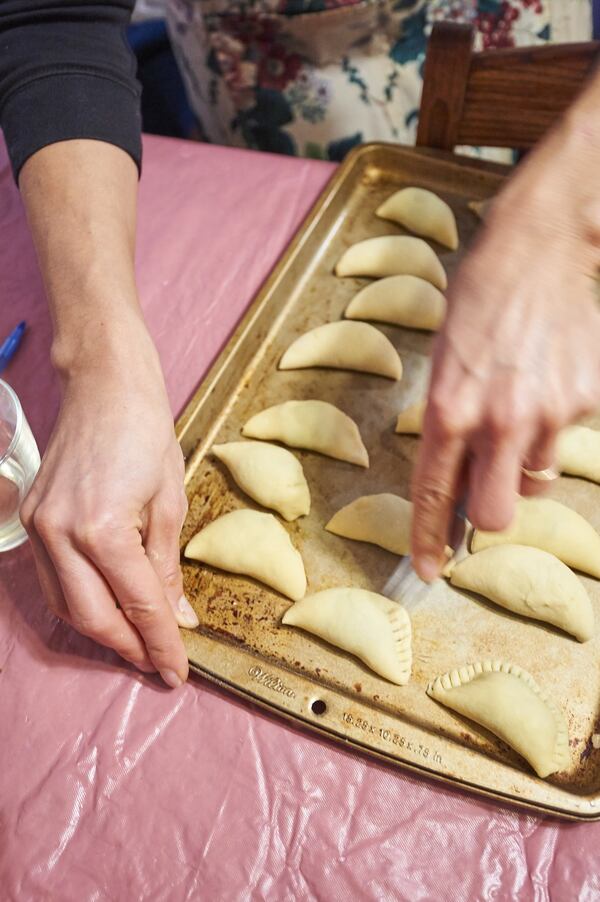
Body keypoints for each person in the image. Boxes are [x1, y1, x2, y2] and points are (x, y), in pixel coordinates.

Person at [2, 1, 600, 689]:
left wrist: (565, 216)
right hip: (258, 85)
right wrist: (98, 353)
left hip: (539, 95)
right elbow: (54, 17)